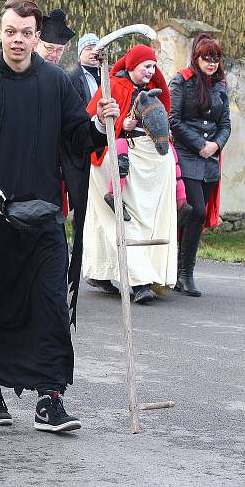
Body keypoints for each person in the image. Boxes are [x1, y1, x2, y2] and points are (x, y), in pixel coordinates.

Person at [0, 0, 120, 432]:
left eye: (26, 32)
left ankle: (50, 399)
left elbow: (78, 138)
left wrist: (100, 124)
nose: (18, 39)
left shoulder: (56, 83)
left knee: (51, 307)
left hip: (43, 219)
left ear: (37, 36)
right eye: (10, 31)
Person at [82, 45, 178, 304]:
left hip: (147, 163)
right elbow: (92, 120)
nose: (151, 71)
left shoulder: (152, 91)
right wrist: (121, 124)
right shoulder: (113, 86)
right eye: (146, 66)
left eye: (153, 66)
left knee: (130, 220)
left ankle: (101, 271)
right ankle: (140, 281)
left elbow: (162, 118)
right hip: (115, 161)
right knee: (121, 218)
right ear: (132, 66)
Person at [169, 33, 231, 297]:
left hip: (210, 160)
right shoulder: (182, 81)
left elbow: (225, 124)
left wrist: (215, 145)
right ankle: (182, 273)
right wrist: (199, 144)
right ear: (197, 58)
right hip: (186, 154)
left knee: (195, 217)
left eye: (215, 60)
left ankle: (183, 273)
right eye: (207, 59)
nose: (212, 64)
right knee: (193, 211)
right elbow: (173, 119)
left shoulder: (220, 86)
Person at [68, 33, 101, 105]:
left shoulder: (108, 76)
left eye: (97, 48)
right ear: (80, 54)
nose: (94, 52)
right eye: (88, 49)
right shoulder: (71, 78)